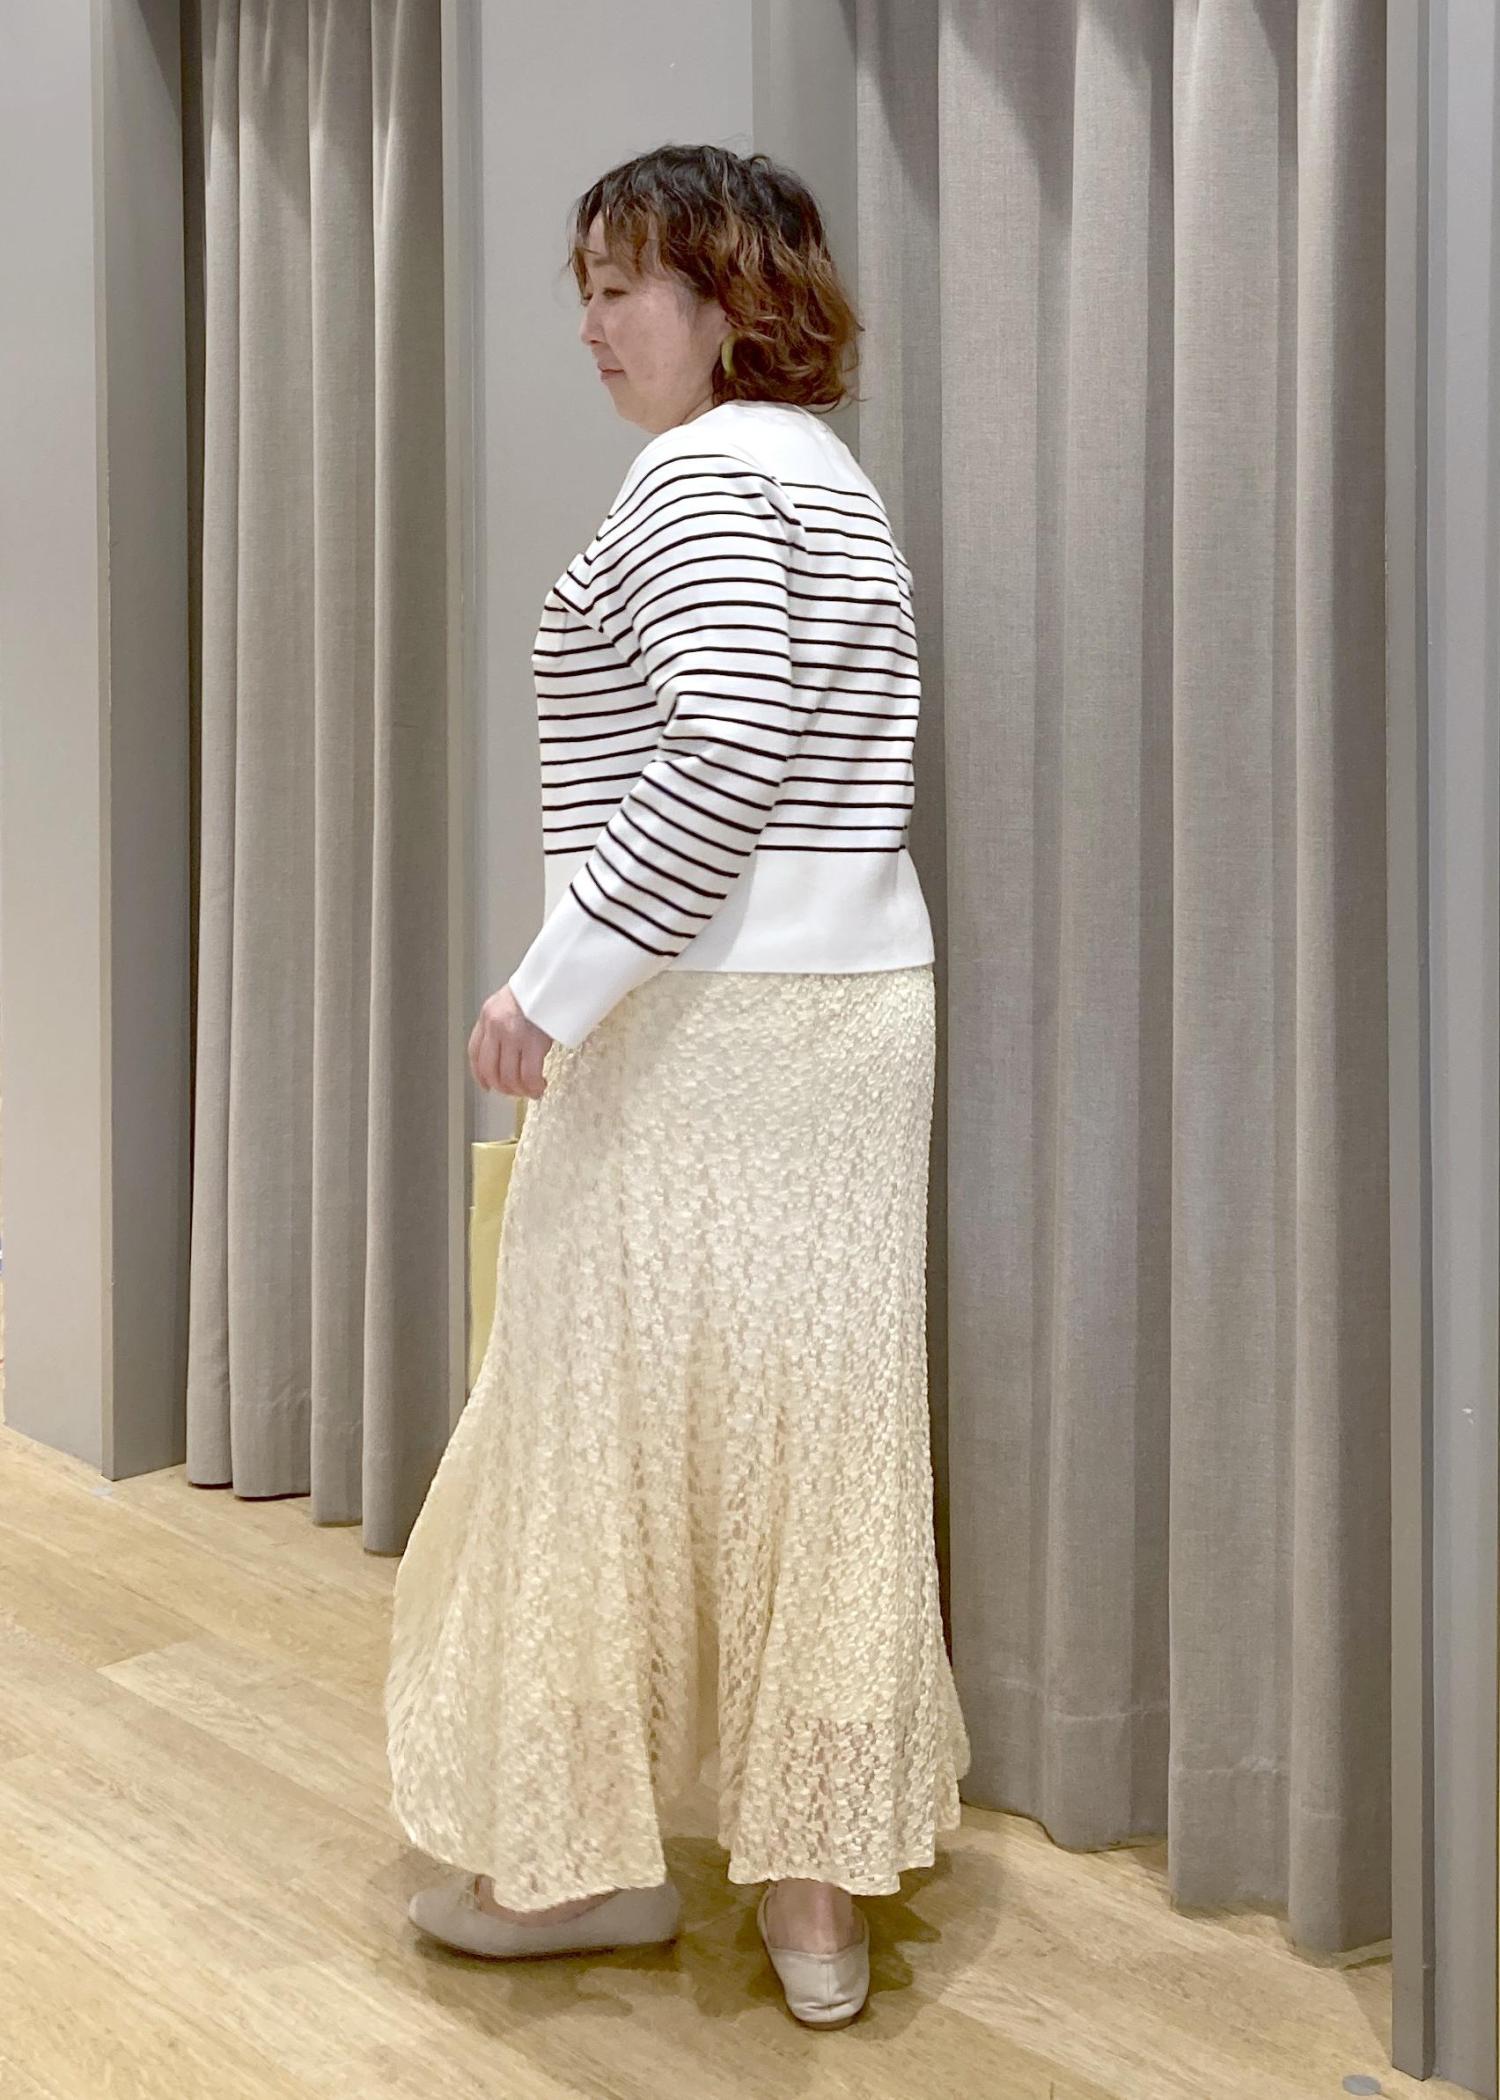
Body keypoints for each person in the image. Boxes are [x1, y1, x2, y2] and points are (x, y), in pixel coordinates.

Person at [383, 142, 971, 2031]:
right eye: (588, 285)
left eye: (623, 283)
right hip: (852, 1008)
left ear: (730, 296)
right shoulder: (834, 482)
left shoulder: (703, 470)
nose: (592, 322)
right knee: (820, 1432)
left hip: (704, 1019)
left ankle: (584, 1860)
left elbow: (719, 752)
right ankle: (814, 1900)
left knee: (595, 1411)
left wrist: (551, 987)